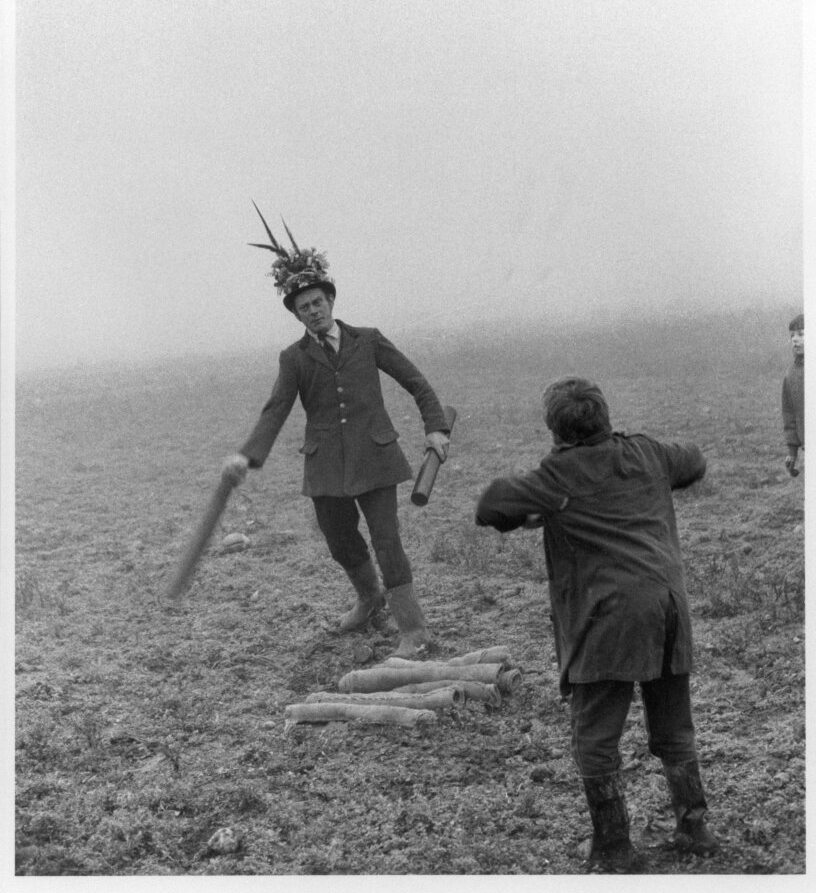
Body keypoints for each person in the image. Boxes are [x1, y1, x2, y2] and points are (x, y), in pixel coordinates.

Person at [475, 377, 719, 874]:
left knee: (596, 735)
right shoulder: (648, 453)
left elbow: (491, 505)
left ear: (556, 432)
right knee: (674, 725)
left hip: (604, 619)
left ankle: (614, 846)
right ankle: (694, 828)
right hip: (667, 608)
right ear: (605, 417)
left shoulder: (556, 476)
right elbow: (693, 458)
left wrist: (538, 511)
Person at [220, 205, 451, 657]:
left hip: (376, 456)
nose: (312, 312)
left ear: (331, 300)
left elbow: (416, 383)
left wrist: (436, 428)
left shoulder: (369, 339)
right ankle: (369, 600)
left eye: (317, 303)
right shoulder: (294, 358)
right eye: (303, 308)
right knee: (340, 540)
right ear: (297, 315)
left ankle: (414, 629)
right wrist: (246, 456)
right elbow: (275, 410)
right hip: (325, 466)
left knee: (387, 541)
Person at [782, 312, 804, 477]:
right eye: (792, 335)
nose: (795, 339)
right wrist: (792, 451)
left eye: (801, 334)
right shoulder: (791, 375)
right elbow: (789, 414)